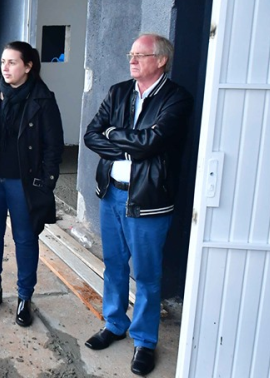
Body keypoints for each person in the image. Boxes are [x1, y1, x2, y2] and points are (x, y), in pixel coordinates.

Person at [83, 33, 192, 376]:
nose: (131, 59)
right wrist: (130, 143)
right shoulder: (118, 92)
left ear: (160, 60)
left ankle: (144, 340)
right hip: (112, 193)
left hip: (149, 200)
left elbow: (154, 141)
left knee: (146, 274)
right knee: (114, 264)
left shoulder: (177, 98)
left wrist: (115, 134)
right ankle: (115, 324)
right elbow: (90, 134)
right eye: (130, 53)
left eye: (140, 55)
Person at [0, 41, 64, 328]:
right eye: (4, 61)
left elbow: (54, 146)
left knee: (26, 240)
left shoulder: (42, 98)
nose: (5, 67)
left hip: (24, 184)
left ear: (28, 66)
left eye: (13, 62)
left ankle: (24, 297)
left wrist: (46, 183)